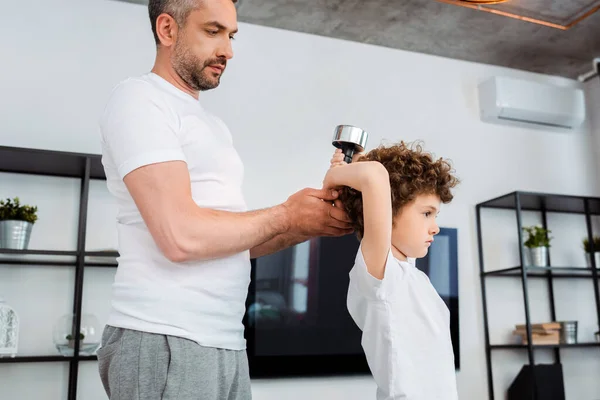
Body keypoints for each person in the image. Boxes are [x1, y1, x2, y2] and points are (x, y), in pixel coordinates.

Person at [96, 0, 352, 399]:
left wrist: (307, 223)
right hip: (165, 337)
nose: (228, 51)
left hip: (225, 341)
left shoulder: (212, 126)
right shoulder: (139, 100)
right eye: (213, 31)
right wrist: (286, 214)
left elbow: (229, 243)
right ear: (167, 30)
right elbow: (181, 236)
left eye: (231, 36)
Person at [323, 142, 460, 400]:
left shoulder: (412, 274)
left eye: (436, 215)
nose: (435, 228)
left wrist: (356, 168)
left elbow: (376, 178)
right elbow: (375, 177)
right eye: (427, 213)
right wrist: (336, 175)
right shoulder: (382, 275)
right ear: (388, 209)